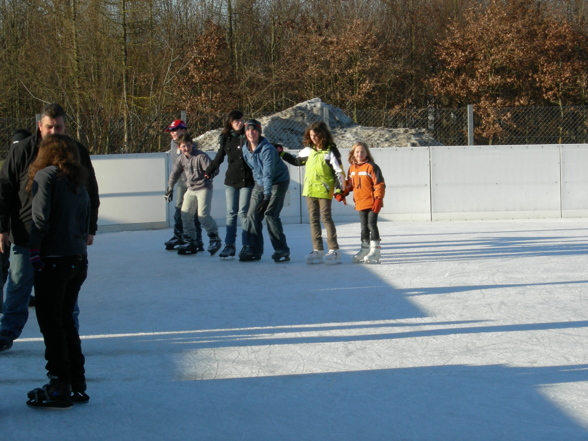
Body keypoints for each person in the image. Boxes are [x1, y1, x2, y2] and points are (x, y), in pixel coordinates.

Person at [0, 103, 100, 353]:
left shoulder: (76, 151)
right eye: (49, 127)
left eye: (59, 127)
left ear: (66, 127)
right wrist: (1, 227)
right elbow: (4, 190)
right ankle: (7, 332)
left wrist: (90, 226)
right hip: (25, 233)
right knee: (18, 286)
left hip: (64, 237)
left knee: (66, 292)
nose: (54, 132)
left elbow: (90, 191)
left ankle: (69, 332)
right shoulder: (22, 151)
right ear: (39, 126)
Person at [25, 134, 91, 409]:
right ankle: (76, 381)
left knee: (52, 324)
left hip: (54, 259)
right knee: (66, 321)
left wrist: (34, 250)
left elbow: (40, 218)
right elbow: (86, 219)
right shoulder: (78, 180)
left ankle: (59, 385)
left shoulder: (46, 176)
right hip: (77, 259)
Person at [280, 121, 345, 264]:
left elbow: (338, 171)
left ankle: (334, 249)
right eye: (311, 135)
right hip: (310, 189)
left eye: (316, 135)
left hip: (324, 189)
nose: (314, 138)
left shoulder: (330, 150)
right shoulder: (308, 150)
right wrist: (282, 153)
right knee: (313, 219)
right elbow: (297, 161)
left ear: (323, 135)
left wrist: (340, 188)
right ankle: (318, 249)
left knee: (326, 218)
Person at [205, 110, 254, 259]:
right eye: (235, 121)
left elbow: (261, 149)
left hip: (247, 180)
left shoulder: (249, 136)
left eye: (241, 119)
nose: (239, 123)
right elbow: (219, 156)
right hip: (231, 180)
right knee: (231, 213)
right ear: (230, 123)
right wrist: (209, 170)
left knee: (243, 213)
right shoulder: (226, 138)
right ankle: (229, 245)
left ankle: (246, 245)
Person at [239, 119, 290, 262]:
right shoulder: (245, 149)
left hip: (278, 182)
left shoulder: (267, 149)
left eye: (254, 129)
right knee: (252, 215)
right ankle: (253, 249)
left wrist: (267, 197)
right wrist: (260, 188)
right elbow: (255, 170)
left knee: (270, 214)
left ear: (259, 131)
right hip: (260, 184)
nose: (250, 132)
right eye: (248, 130)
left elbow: (268, 174)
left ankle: (282, 250)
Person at [165, 133, 221, 255]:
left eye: (188, 145)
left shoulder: (201, 156)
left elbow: (214, 169)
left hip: (203, 188)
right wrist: (169, 188)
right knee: (185, 214)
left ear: (192, 144)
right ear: (179, 147)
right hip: (190, 189)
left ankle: (214, 237)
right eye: (183, 146)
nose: (186, 148)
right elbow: (174, 174)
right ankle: (190, 240)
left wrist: (210, 174)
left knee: (202, 215)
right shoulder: (181, 159)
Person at [336, 142, 386, 264]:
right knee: (364, 227)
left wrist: (378, 199)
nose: (360, 154)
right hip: (360, 202)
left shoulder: (371, 166)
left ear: (367, 153)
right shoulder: (352, 168)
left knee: (371, 225)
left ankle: (375, 250)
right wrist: (342, 192)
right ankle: (365, 249)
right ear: (353, 153)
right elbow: (350, 184)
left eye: (362, 152)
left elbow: (379, 184)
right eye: (357, 152)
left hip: (372, 202)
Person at [0, 129, 33, 313]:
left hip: (18, 228)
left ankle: (23, 296)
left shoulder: (26, 165)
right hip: (7, 228)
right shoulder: (10, 167)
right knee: (6, 267)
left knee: (18, 269)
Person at [163, 119, 203, 251]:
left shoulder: (190, 146)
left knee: (192, 211)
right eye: (171, 131)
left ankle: (196, 239)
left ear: (184, 130)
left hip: (193, 182)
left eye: (176, 130)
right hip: (181, 180)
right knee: (179, 209)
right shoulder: (174, 144)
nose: (173, 133)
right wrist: (170, 186)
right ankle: (178, 235)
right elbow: (176, 167)